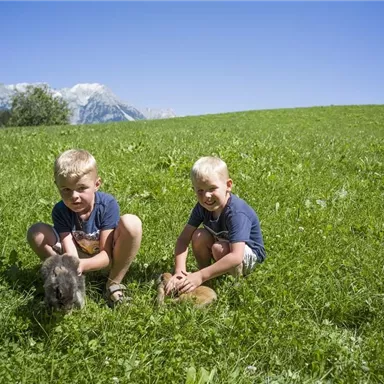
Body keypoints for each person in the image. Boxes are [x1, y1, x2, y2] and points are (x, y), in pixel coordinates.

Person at [27, 149, 142, 308]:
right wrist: (73, 265)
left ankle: (113, 284)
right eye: (66, 189)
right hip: (79, 254)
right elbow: (70, 253)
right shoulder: (60, 210)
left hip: (107, 256)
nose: (74, 196)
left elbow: (106, 255)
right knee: (36, 233)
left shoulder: (107, 205)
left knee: (132, 223)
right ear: (57, 186)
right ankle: (68, 283)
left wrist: (80, 265)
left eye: (81, 188)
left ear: (96, 184)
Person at [165, 156, 265, 295]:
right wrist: (179, 272)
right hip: (224, 244)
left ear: (228, 185)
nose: (206, 196)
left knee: (219, 249)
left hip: (247, 252)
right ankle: (207, 280)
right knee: (199, 235)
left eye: (212, 188)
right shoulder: (202, 207)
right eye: (200, 190)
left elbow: (236, 256)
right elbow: (183, 239)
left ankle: (234, 285)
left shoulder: (236, 212)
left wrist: (199, 275)